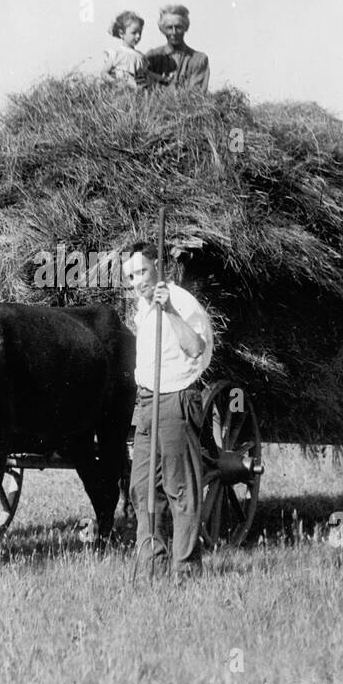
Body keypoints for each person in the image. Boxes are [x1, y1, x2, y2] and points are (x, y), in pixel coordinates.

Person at [123, 241, 214, 579]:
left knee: (181, 489)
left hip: (176, 398)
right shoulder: (143, 308)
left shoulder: (181, 302)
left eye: (143, 272)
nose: (138, 282)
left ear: (159, 267)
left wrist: (170, 311)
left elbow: (195, 347)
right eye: (132, 276)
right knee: (143, 486)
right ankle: (151, 565)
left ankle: (186, 570)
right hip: (147, 402)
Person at [143, 4, 210, 93]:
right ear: (162, 30)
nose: (174, 32)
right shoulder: (152, 57)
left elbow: (195, 94)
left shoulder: (199, 59)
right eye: (169, 28)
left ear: (186, 28)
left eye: (178, 27)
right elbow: (144, 89)